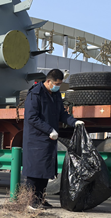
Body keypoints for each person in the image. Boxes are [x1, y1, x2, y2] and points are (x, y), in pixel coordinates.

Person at [22, 69, 84, 209]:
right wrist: (49, 130)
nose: (58, 87)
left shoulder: (55, 94)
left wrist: (74, 122)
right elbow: (32, 117)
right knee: (34, 171)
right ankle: (31, 201)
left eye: (60, 84)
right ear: (49, 81)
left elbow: (61, 113)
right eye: (57, 84)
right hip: (36, 138)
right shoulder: (35, 94)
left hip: (49, 138)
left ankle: (40, 199)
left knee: (45, 169)